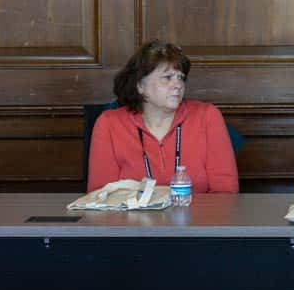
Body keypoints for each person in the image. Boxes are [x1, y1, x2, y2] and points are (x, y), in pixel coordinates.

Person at [87, 40, 238, 193]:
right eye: (167, 77)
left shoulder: (207, 116)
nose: (178, 84)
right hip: (131, 217)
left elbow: (225, 193)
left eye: (180, 77)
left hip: (198, 216)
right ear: (140, 85)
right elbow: (100, 196)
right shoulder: (109, 123)